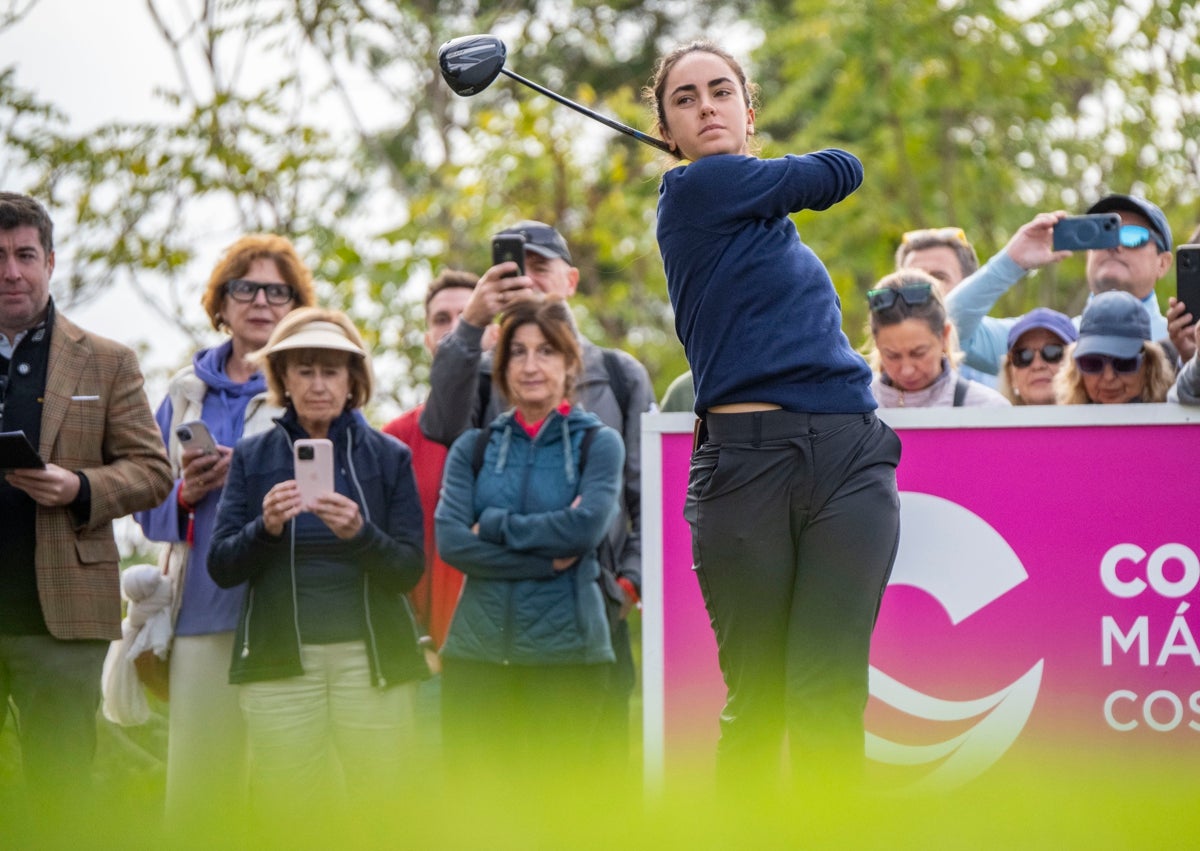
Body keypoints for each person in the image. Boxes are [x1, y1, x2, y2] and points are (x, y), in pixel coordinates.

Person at [645, 42, 902, 789]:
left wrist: (758, 171)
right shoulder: (694, 192)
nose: (705, 107)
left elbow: (825, 177)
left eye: (720, 92)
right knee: (760, 701)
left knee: (827, 693)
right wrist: (756, 164)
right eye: (685, 100)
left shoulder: (758, 218)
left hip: (849, 453)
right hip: (746, 463)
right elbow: (838, 169)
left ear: (747, 112)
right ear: (668, 130)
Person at [419, 220, 654, 764]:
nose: (526, 281)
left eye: (540, 268)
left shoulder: (619, 375)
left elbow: (646, 500)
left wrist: (627, 586)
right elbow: (440, 427)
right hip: (489, 622)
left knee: (587, 790)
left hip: (591, 614)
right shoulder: (480, 377)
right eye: (512, 269)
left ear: (570, 280)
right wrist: (473, 321)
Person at [207, 307, 425, 822]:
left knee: (383, 806)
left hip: (372, 662)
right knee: (289, 811)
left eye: (331, 371)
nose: (319, 384)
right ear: (283, 378)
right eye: (305, 370)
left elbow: (409, 569)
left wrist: (360, 534)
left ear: (354, 381)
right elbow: (221, 566)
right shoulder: (253, 456)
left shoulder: (388, 456)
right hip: (281, 660)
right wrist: (265, 527)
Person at [133, 234, 315, 826]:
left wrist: (256, 474)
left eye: (277, 290)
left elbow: (339, 488)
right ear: (222, 302)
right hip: (204, 607)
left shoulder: (315, 384)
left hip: (288, 606)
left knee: (293, 789)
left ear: (294, 305)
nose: (260, 300)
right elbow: (146, 503)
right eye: (245, 287)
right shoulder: (185, 395)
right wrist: (188, 491)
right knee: (199, 787)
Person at [0, 192, 172, 809]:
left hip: (63, 619)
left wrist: (80, 487)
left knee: (61, 788)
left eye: (24, 255)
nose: (10, 271)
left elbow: (154, 472)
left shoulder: (106, 361)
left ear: (50, 260)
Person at [434, 295, 624, 783]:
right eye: (517, 352)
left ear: (569, 362)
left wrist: (494, 525)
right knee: (476, 816)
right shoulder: (472, 448)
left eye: (546, 351)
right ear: (501, 366)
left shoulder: (597, 443)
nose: (531, 365)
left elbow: (585, 529)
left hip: (569, 662)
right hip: (475, 660)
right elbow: (452, 542)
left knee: (556, 814)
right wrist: (545, 561)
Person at [383, 269, 493, 655]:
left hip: (511, 650)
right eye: (441, 320)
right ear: (429, 340)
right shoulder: (395, 439)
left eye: (469, 317)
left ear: (493, 332)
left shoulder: (523, 430)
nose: (455, 329)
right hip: (425, 653)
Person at [946, 197, 1175, 377]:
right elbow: (946, 330)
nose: (1114, 245)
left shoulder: (1185, 342)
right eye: (1102, 233)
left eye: (1132, 236)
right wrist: (1010, 262)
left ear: (1163, 263)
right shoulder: (1046, 341)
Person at [867, 271, 1010, 408]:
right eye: (892, 356)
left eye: (919, 353)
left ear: (944, 336)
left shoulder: (986, 408)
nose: (907, 370)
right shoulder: (855, 409)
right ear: (877, 344)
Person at [1056, 290, 1174, 404]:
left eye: (1124, 363)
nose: (1109, 377)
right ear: (1077, 371)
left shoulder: (1178, 418)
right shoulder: (1059, 421)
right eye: (1092, 363)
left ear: (1149, 365)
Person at [996, 308, 1078, 405]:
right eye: (1023, 355)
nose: (1038, 365)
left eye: (1052, 352)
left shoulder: (1099, 418)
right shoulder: (986, 419)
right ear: (1010, 376)